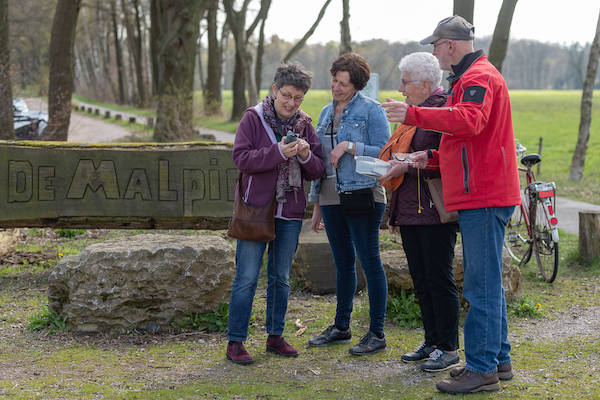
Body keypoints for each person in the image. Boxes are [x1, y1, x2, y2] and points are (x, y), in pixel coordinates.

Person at [381, 16, 521, 394]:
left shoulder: (478, 78)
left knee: (481, 284)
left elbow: (469, 122)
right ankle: (498, 359)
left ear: (450, 45)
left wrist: (412, 114)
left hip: (485, 194)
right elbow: (464, 141)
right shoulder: (471, 78)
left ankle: (481, 368)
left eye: (435, 45)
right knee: (487, 281)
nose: (434, 51)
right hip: (481, 192)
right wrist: (426, 159)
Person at [226, 63, 325, 365]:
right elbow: (241, 159)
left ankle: (275, 336)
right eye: (287, 95)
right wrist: (279, 153)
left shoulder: (305, 123)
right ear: (274, 90)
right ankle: (235, 342)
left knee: (280, 277)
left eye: (298, 98)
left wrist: (306, 154)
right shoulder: (252, 118)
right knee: (246, 277)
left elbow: (318, 169)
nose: (292, 103)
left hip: (290, 212)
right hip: (255, 210)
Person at [379, 52, 460, 372]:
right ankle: (430, 341)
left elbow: (448, 153)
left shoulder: (444, 110)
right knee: (421, 279)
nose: (401, 88)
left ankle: (448, 347)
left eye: (405, 82)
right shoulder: (413, 112)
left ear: (426, 84)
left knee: (439, 279)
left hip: (434, 210)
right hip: (410, 207)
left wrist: (414, 159)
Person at [307, 53, 390, 356]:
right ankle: (341, 327)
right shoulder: (326, 112)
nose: (336, 87)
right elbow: (320, 162)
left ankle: (376, 333)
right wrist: (316, 203)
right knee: (342, 263)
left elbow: (385, 151)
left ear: (357, 85)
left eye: (343, 83)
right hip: (331, 197)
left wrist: (350, 146)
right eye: (334, 80)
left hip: (363, 192)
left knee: (369, 261)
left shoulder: (372, 111)